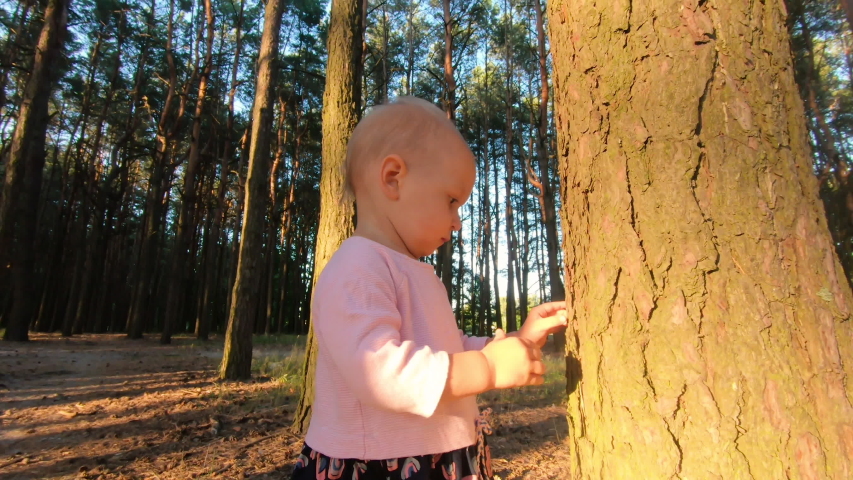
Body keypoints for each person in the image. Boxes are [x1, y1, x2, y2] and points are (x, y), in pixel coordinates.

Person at [291, 97, 568, 480]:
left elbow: (445, 349)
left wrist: (517, 342)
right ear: (393, 178)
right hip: (379, 464)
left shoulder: (416, 273)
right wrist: (487, 368)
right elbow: (382, 372)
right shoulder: (357, 267)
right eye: (452, 200)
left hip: (435, 456)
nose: (457, 222)